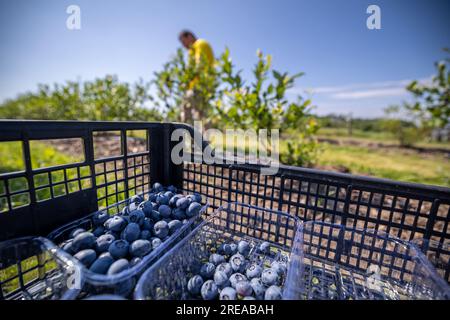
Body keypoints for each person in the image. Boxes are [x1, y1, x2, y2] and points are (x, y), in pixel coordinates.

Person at [178, 30, 215, 124]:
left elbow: (199, 65)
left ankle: (198, 137)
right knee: (195, 114)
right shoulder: (192, 50)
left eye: (183, 42)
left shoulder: (200, 44)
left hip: (199, 85)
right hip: (196, 85)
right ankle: (194, 137)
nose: (184, 46)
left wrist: (186, 80)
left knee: (198, 114)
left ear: (189, 36)